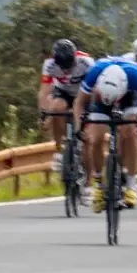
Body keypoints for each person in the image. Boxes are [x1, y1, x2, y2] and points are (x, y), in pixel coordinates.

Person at [78, 55, 137, 212]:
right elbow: (78, 102)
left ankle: (132, 185)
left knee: (130, 132)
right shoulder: (95, 72)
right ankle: (98, 184)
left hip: (129, 99)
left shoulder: (136, 76)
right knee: (95, 139)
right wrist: (79, 127)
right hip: (100, 100)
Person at [39, 39, 95, 173]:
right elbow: (44, 91)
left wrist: (89, 117)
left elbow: (95, 89)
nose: (67, 71)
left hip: (84, 94)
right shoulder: (49, 64)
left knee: (87, 137)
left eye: (69, 66)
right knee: (56, 109)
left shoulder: (87, 62)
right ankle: (59, 150)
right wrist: (43, 115)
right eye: (63, 67)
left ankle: (88, 184)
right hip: (63, 92)